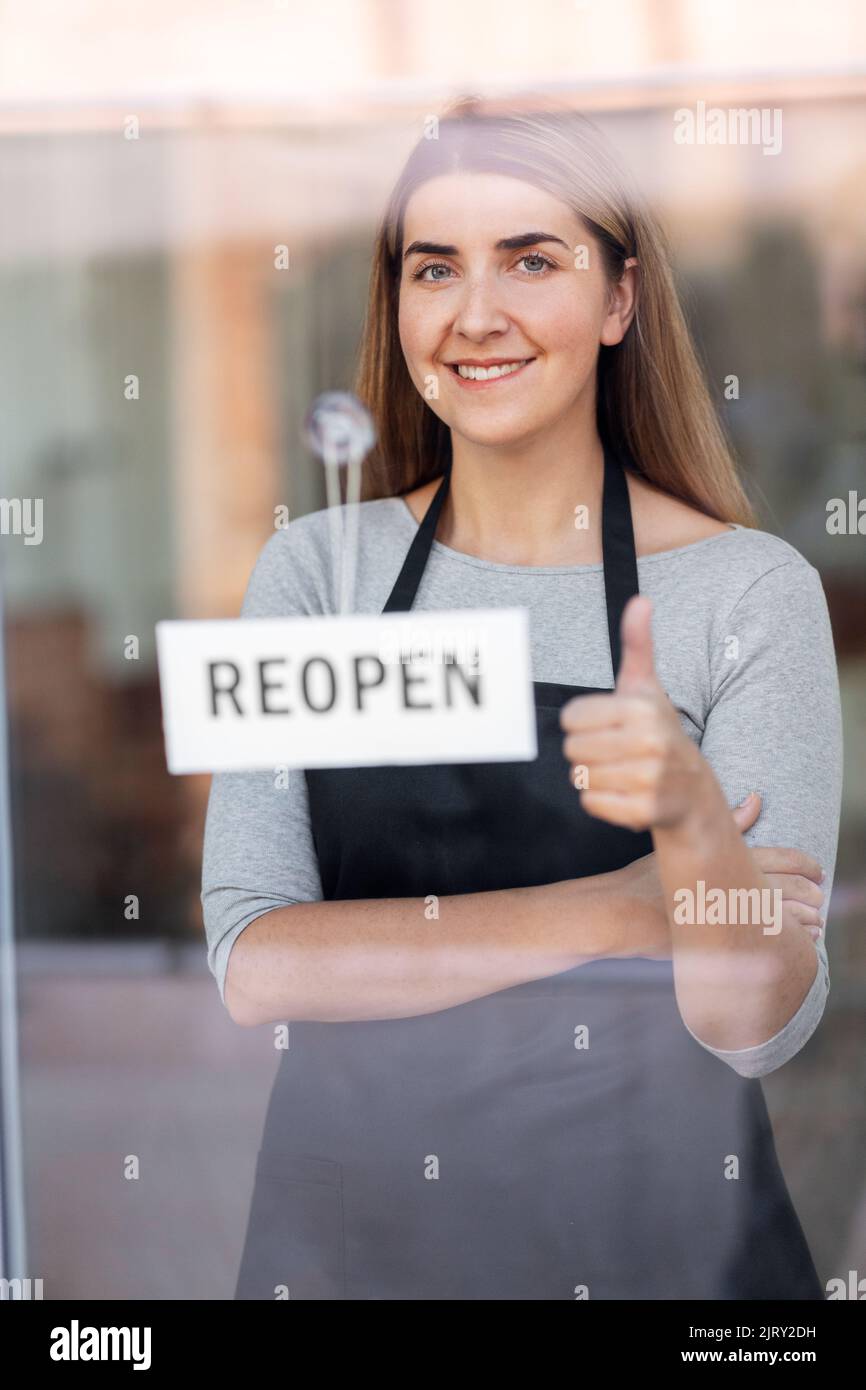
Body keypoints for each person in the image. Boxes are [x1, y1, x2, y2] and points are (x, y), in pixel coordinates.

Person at [201, 98, 842, 1300]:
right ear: (395, 306)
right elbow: (256, 961)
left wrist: (691, 822)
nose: (474, 313)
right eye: (433, 266)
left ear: (617, 300)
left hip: (663, 1258)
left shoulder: (744, 592)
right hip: (358, 1251)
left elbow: (753, 1024)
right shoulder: (316, 577)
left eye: (530, 260)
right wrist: (621, 907)